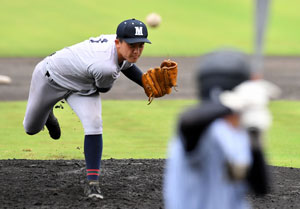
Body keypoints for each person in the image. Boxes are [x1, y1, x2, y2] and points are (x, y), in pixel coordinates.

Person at [23, 18, 165, 199]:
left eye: (140, 46)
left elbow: (127, 65)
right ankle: (48, 113)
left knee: (94, 123)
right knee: (31, 128)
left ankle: (92, 184)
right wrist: (146, 84)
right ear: (117, 42)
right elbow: (103, 88)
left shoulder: (120, 47)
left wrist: (146, 84)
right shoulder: (105, 67)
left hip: (82, 86)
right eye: (132, 46)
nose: (136, 51)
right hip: (50, 79)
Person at [163, 49, 280, 209]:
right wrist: (234, 103)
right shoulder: (201, 132)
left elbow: (260, 187)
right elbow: (187, 121)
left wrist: (255, 138)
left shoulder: (238, 134)